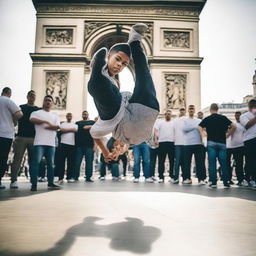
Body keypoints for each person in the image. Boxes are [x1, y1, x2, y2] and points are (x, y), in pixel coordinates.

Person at [88, 23, 159, 161]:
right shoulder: (138, 137)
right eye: (118, 59)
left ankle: (134, 41)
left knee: (144, 77)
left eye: (125, 64)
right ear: (109, 56)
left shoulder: (129, 139)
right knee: (112, 99)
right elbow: (98, 135)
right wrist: (111, 150)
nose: (120, 65)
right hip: (118, 114)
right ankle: (97, 78)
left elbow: (97, 136)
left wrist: (107, 152)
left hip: (136, 112)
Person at [199, 103, 236, 188]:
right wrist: (228, 135)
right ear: (217, 109)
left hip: (211, 143)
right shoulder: (223, 118)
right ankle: (226, 182)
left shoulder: (208, 118)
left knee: (212, 163)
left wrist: (204, 134)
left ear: (210, 110)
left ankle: (213, 182)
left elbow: (199, 127)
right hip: (222, 143)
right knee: (224, 163)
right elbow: (234, 126)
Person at [29, 95, 60, 191]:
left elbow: (58, 127)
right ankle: (34, 184)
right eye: (46, 100)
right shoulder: (36, 113)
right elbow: (32, 119)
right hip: (39, 142)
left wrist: (50, 126)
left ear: (52, 103)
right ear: (43, 101)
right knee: (36, 163)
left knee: (51, 164)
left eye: (50, 101)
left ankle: (51, 183)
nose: (48, 102)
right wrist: (46, 122)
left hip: (51, 143)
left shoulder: (55, 115)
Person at [10, 90, 40, 189]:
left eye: (34, 96)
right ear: (27, 96)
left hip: (33, 138)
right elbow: (14, 119)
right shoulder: (21, 107)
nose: (32, 97)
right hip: (21, 137)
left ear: (35, 97)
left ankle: (33, 179)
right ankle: (13, 180)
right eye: (31, 95)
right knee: (17, 160)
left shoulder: (37, 109)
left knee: (33, 161)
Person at [0, 87, 23, 189]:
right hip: (5, 133)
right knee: (3, 157)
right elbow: (19, 114)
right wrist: (13, 119)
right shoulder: (8, 101)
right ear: (9, 93)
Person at [182, 105, 206, 185]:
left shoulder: (199, 120)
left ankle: (201, 179)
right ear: (188, 110)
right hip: (187, 144)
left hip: (198, 143)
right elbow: (184, 129)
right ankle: (187, 178)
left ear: (194, 110)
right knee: (186, 163)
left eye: (192, 108)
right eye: (190, 108)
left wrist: (203, 141)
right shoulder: (185, 120)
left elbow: (201, 131)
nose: (191, 110)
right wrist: (195, 127)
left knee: (200, 162)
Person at [154, 110, 175, 183]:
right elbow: (155, 131)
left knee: (172, 161)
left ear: (171, 115)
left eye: (169, 114)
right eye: (167, 114)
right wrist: (156, 140)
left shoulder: (174, 123)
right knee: (161, 161)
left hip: (171, 143)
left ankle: (172, 176)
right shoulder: (160, 122)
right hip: (162, 143)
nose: (168, 115)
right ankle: (161, 177)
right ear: (164, 115)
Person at [74, 111, 95, 182]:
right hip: (79, 146)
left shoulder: (92, 122)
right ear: (82, 115)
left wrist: (90, 126)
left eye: (86, 114)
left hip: (89, 145)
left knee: (89, 162)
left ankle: (88, 177)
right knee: (77, 162)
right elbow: (77, 131)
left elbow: (96, 130)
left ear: (88, 115)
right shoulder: (77, 123)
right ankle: (75, 177)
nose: (85, 115)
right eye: (83, 114)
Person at [57, 113, 78, 183]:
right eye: (68, 115)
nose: (69, 116)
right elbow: (61, 130)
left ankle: (69, 177)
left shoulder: (75, 125)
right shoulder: (62, 124)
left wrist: (66, 130)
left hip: (72, 145)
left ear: (72, 117)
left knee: (71, 162)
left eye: (70, 116)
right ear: (66, 117)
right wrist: (71, 130)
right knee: (61, 162)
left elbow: (75, 130)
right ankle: (60, 178)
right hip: (63, 144)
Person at [240, 99, 256, 188]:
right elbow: (247, 125)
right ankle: (247, 179)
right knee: (249, 160)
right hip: (249, 140)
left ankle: (254, 179)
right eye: (253, 106)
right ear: (250, 107)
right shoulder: (244, 116)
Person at [227, 111, 245, 186]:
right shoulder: (233, 125)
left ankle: (240, 180)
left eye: (238, 115)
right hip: (231, 146)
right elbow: (228, 132)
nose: (237, 116)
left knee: (239, 163)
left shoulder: (244, 125)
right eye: (236, 115)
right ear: (234, 116)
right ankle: (228, 179)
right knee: (228, 163)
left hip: (240, 146)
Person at [172, 108, 186, 183]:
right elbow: (172, 131)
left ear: (185, 112)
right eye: (181, 110)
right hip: (177, 143)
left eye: (183, 110)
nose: (182, 112)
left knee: (184, 162)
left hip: (185, 144)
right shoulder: (175, 120)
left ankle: (184, 178)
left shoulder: (187, 119)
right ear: (179, 112)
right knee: (177, 162)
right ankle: (176, 178)